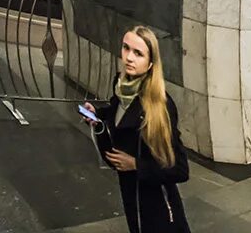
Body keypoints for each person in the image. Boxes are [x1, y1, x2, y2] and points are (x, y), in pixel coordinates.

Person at [81, 25, 190, 233]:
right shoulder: (121, 86)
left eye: (138, 53)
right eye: (126, 48)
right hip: (130, 194)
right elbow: (118, 109)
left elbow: (181, 169)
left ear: (150, 64)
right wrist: (98, 113)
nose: (129, 57)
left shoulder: (161, 106)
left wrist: (136, 164)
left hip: (158, 205)